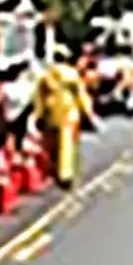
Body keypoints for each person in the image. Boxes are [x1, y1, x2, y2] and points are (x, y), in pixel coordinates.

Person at [33, 44, 95, 189]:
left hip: (51, 113)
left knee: (51, 144)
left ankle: (51, 171)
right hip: (68, 112)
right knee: (66, 144)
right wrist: (88, 113)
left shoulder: (45, 75)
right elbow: (81, 95)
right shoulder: (72, 74)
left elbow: (38, 97)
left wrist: (39, 114)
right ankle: (65, 175)